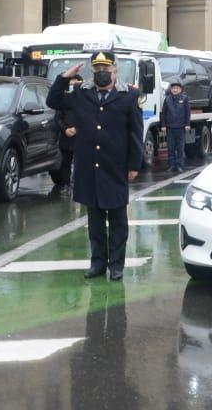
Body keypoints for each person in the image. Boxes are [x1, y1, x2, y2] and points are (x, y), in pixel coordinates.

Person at [47, 52, 143, 281]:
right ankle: (98, 263)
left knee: (118, 220)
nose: (102, 73)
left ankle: (116, 265)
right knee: (95, 221)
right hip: (89, 167)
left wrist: (134, 164)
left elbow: (136, 133)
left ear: (115, 71)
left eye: (106, 70)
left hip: (115, 166)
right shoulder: (81, 92)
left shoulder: (129, 95)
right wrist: (64, 77)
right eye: (97, 69)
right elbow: (53, 100)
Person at [52, 73, 83, 191]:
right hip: (66, 137)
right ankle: (66, 185)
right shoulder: (64, 100)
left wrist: (78, 129)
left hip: (81, 137)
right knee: (65, 163)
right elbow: (57, 118)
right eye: (70, 85)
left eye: (75, 85)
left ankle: (78, 184)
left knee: (80, 163)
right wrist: (65, 129)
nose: (72, 87)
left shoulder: (85, 100)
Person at [162, 82, 192, 174]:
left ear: (180, 90)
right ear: (171, 90)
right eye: (173, 88)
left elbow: (187, 112)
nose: (175, 90)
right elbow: (163, 113)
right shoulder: (167, 99)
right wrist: (163, 125)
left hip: (181, 127)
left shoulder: (184, 98)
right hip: (170, 127)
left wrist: (187, 124)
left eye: (177, 88)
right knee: (170, 148)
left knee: (180, 147)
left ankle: (179, 165)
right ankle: (171, 165)